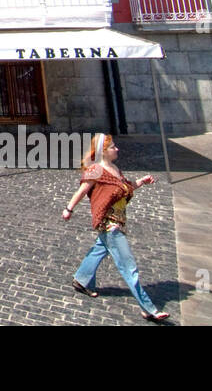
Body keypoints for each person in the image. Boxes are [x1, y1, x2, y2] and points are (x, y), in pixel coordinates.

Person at [62, 133, 169, 322]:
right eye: (113, 147)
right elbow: (82, 191)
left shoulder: (114, 168)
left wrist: (141, 182)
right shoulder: (96, 170)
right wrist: (68, 209)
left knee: (99, 249)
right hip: (109, 222)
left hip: (118, 220)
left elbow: (125, 187)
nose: (117, 149)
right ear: (103, 151)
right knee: (129, 267)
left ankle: (81, 279)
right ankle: (148, 308)